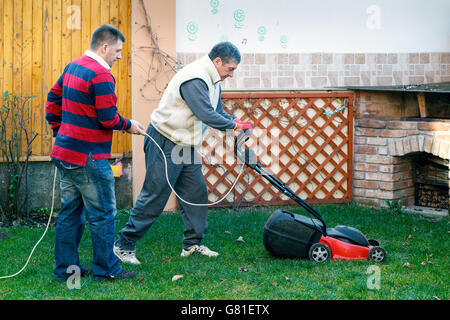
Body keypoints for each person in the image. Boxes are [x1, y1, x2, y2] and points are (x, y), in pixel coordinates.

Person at [113, 42, 252, 265]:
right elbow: (205, 113)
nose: (231, 74)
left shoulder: (213, 79)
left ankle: (192, 245)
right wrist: (235, 127)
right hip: (165, 141)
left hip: (185, 145)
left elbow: (216, 111)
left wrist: (234, 121)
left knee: (195, 195)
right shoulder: (195, 77)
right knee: (155, 196)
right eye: (230, 69)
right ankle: (123, 245)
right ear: (217, 61)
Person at [46, 24, 146, 281]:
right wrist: (130, 126)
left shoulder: (73, 65)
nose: (120, 55)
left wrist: (60, 130)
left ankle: (66, 272)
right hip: (89, 158)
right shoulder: (101, 74)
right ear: (104, 47)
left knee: (70, 213)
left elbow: (52, 99)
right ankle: (107, 271)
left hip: (66, 154)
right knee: (102, 214)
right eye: (118, 50)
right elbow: (107, 118)